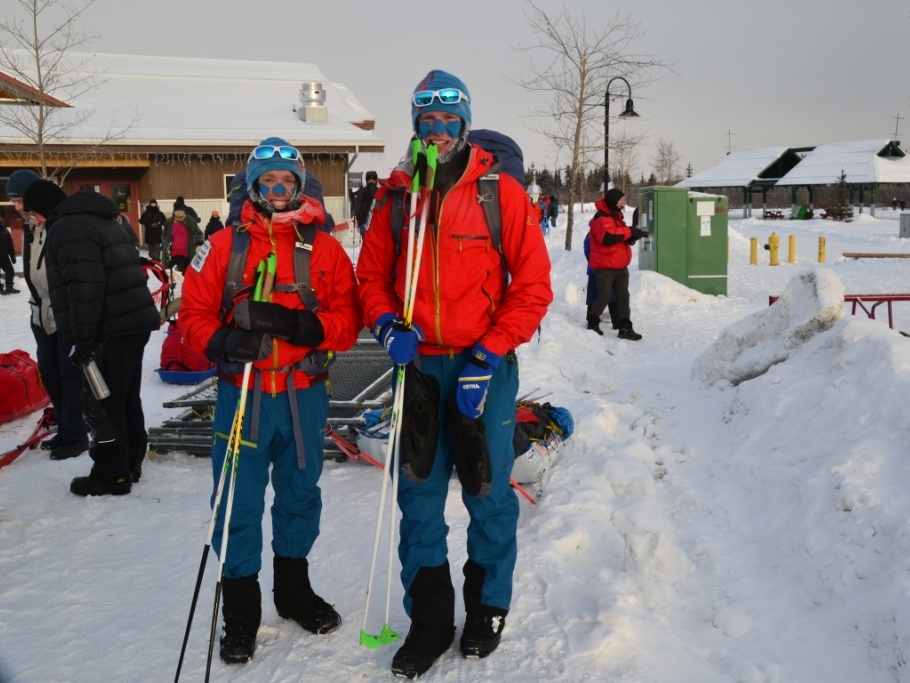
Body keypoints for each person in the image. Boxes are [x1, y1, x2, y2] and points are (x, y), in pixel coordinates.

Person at [357, 70, 552, 679]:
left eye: (448, 120)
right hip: (417, 366)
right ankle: (431, 617)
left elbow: (534, 287)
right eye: (427, 120)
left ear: (465, 123)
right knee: (417, 492)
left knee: (487, 489)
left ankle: (488, 606)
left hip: (481, 367)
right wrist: (388, 325)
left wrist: (490, 354)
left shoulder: (501, 195)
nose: (437, 131)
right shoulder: (396, 198)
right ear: (415, 125)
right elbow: (371, 279)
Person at [180, 137, 362, 665]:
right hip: (246, 395)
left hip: (304, 395)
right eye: (269, 182)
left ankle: (293, 590)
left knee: (300, 493)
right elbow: (190, 314)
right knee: (237, 497)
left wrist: (303, 325)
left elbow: (349, 320)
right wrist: (221, 343)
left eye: (289, 182)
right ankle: (240, 609)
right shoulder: (222, 247)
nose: (280, 191)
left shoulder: (324, 248)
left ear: (301, 186)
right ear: (253, 187)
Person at [21, 179, 161, 496]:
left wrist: (82, 339)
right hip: (129, 322)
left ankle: (112, 474)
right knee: (124, 397)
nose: (34, 221)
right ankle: (129, 463)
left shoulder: (68, 228)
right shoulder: (103, 218)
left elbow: (85, 287)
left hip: (107, 327)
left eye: (32, 214)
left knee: (102, 402)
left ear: (44, 208)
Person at [6, 170, 89, 460]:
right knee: (50, 374)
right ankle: (65, 429)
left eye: (19, 200)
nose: (17, 207)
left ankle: (76, 435)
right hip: (41, 314)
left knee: (70, 375)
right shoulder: (32, 228)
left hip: (64, 312)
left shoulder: (61, 225)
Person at [586, 188, 647, 340]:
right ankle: (593, 322)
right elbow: (607, 237)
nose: (624, 203)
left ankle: (625, 328)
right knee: (604, 296)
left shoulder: (616, 217)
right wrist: (629, 232)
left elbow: (621, 237)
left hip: (620, 265)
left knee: (623, 296)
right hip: (605, 266)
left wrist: (633, 236)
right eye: (622, 200)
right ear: (614, 201)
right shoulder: (601, 218)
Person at [164, 207, 203, 274]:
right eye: (177, 211)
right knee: (173, 276)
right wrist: (165, 247)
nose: (179, 213)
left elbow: (198, 233)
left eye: (181, 211)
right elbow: (164, 236)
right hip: (174, 254)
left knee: (187, 275)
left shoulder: (189, 222)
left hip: (187, 254)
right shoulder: (169, 223)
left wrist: (199, 243)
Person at [352, 170, 378, 237]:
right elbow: (357, 205)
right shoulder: (362, 192)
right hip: (364, 222)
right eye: (369, 180)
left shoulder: (379, 192)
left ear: (376, 180)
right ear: (367, 180)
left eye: (373, 179)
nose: (371, 181)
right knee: (367, 241)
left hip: (377, 223)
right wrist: (358, 216)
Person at [0, 214, 19, 295]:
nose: (2, 220)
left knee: (10, 271)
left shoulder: (5, 230)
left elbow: (10, 244)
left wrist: (12, 257)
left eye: (2, 219)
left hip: (4, 256)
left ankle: (9, 286)